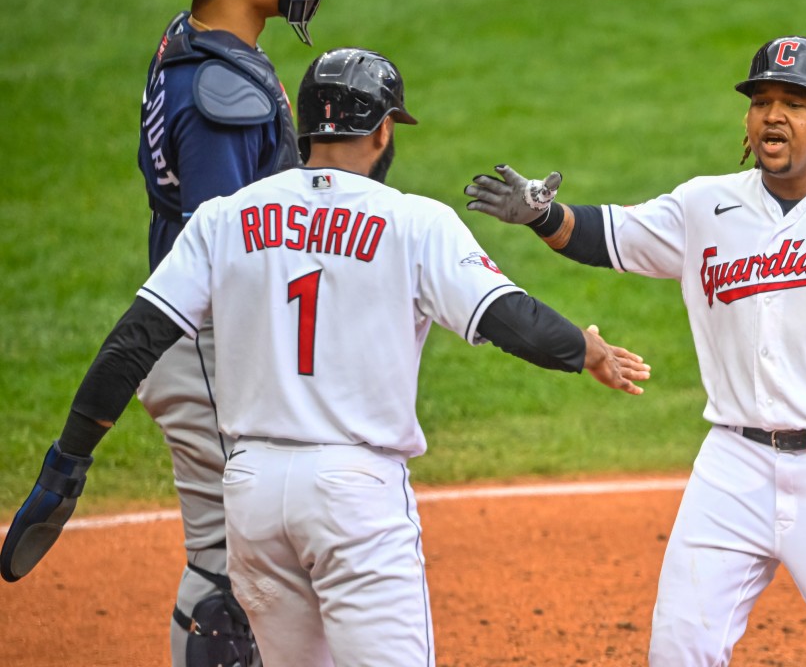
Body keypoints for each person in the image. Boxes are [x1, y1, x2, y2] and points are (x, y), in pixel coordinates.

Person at [0, 47, 651, 666]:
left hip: (252, 497)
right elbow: (508, 319)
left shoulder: (227, 217)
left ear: (308, 129)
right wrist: (585, 349)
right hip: (353, 499)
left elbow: (131, 343)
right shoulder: (412, 222)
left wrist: (68, 461)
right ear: (383, 132)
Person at [463, 35, 806, 666]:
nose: (772, 115)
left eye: (794, 102)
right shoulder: (705, 204)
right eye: (761, 100)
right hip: (732, 468)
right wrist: (543, 217)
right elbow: (608, 235)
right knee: (678, 653)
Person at [138, 0, 332, 665]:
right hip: (215, 343)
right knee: (228, 559)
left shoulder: (195, 47)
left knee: (245, 548)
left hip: (206, 339)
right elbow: (228, 246)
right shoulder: (222, 95)